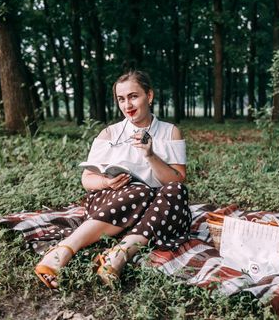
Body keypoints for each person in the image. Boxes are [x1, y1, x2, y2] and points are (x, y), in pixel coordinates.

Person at [34, 70, 191, 289]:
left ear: (150, 96)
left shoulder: (170, 132)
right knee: (140, 191)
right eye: (121, 99)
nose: (127, 105)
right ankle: (63, 250)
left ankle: (117, 256)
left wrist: (150, 155)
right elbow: (87, 179)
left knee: (176, 191)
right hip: (115, 203)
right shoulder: (109, 133)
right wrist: (107, 183)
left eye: (134, 96)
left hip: (156, 210)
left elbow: (177, 179)